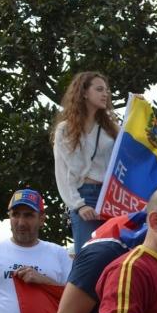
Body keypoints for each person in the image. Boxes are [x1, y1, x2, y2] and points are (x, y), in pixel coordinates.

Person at [51, 72, 121, 254]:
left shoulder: (111, 128)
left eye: (106, 90)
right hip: (85, 196)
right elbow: (63, 173)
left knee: (115, 252)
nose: (105, 94)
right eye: (99, 89)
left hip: (111, 197)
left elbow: (130, 151)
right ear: (84, 93)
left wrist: (138, 109)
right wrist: (78, 204)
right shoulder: (65, 129)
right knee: (89, 256)